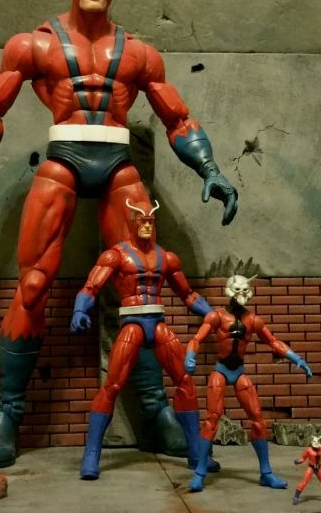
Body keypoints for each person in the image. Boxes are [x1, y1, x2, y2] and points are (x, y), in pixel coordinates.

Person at [0, 0, 238, 470]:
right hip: (63, 159)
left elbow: (178, 118)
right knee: (33, 285)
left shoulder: (139, 53)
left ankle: (156, 415)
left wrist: (210, 169)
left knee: (142, 287)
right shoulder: (35, 45)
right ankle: (7, 415)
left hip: (118, 164)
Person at [71, 199, 216, 479]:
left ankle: (196, 453)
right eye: (142, 220)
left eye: (151, 219)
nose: (147, 224)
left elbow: (188, 295)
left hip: (157, 323)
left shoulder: (166, 258)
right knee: (112, 385)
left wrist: (211, 313)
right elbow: (91, 287)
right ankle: (91, 454)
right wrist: (79, 309)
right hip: (132, 324)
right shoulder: (116, 255)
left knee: (185, 382)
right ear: (132, 222)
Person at [185, 274, 312, 491]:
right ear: (229, 291)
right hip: (221, 371)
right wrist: (190, 355)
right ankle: (199, 473)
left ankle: (266, 473)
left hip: (239, 372)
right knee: (211, 420)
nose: (241, 294)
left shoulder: (253, 320)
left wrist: (296, 358)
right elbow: (197, 339)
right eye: (238, 290)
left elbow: (273, 341)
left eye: (245, 290)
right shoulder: (216, 316)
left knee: (258, 421)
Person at [293, 434, 321, 505]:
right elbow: (303, 458)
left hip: (318, 468)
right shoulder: (308, 450)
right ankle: (296, 497)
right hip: (311, 467)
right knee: (304, 482)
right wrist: (299, 461)